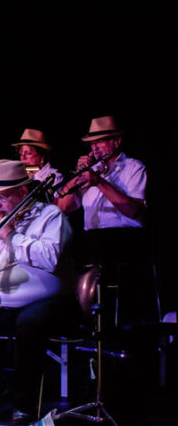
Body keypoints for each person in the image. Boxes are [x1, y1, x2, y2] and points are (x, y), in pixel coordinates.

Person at [0, 160, 74, 425]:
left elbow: (50, 258)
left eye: (3, 197)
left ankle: (24, 404)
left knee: (30, 323)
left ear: (22, 192)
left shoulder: (49, 216)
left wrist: (12, 237)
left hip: (41, 300)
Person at [57, 116, 150, 325]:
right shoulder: (92, 171)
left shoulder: (134, 168)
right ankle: (76, 322)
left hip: (125, 238)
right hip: (93, 240)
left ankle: (105, 324)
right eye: (92, 142)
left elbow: (132, 210)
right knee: (62, 248)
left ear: (116, 141)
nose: (94, 147)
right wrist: (79, 175)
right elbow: (63, 206)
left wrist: (98, 182)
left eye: (100, 141)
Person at [12, 128, 64, 204]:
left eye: (28, 153)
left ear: (41, 155)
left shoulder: (55, 176)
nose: (23, 157)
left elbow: (55, 205)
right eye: (21, 153)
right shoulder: (19, 175)